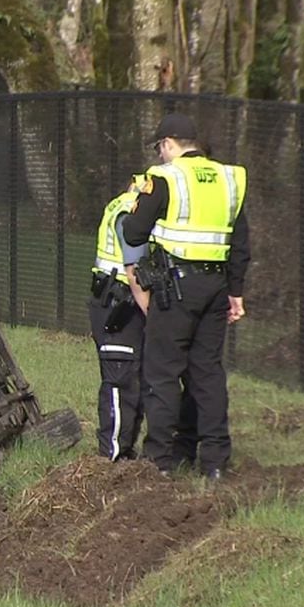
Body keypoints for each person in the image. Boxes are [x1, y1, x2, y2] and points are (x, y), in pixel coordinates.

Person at [122, 113, 249, 481]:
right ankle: (214, 462)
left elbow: (133, 233)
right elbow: (240, 243)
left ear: (169, 144)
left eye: (160, 147)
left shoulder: (164, 177)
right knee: (207, 373)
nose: (161, 155)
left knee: (162, 372)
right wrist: (236, 292)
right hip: (217, 288)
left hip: (174, 289)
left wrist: (137, 205)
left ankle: (158, 462)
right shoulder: (230, 179)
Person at [88, 179, 150, 461]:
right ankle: (111, 455)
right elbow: (133, 266)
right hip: (120, 302)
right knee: (120, 377)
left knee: (134, 376)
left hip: (118, 299)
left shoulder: (123, 203)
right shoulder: (132, 212)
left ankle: (125, 449)